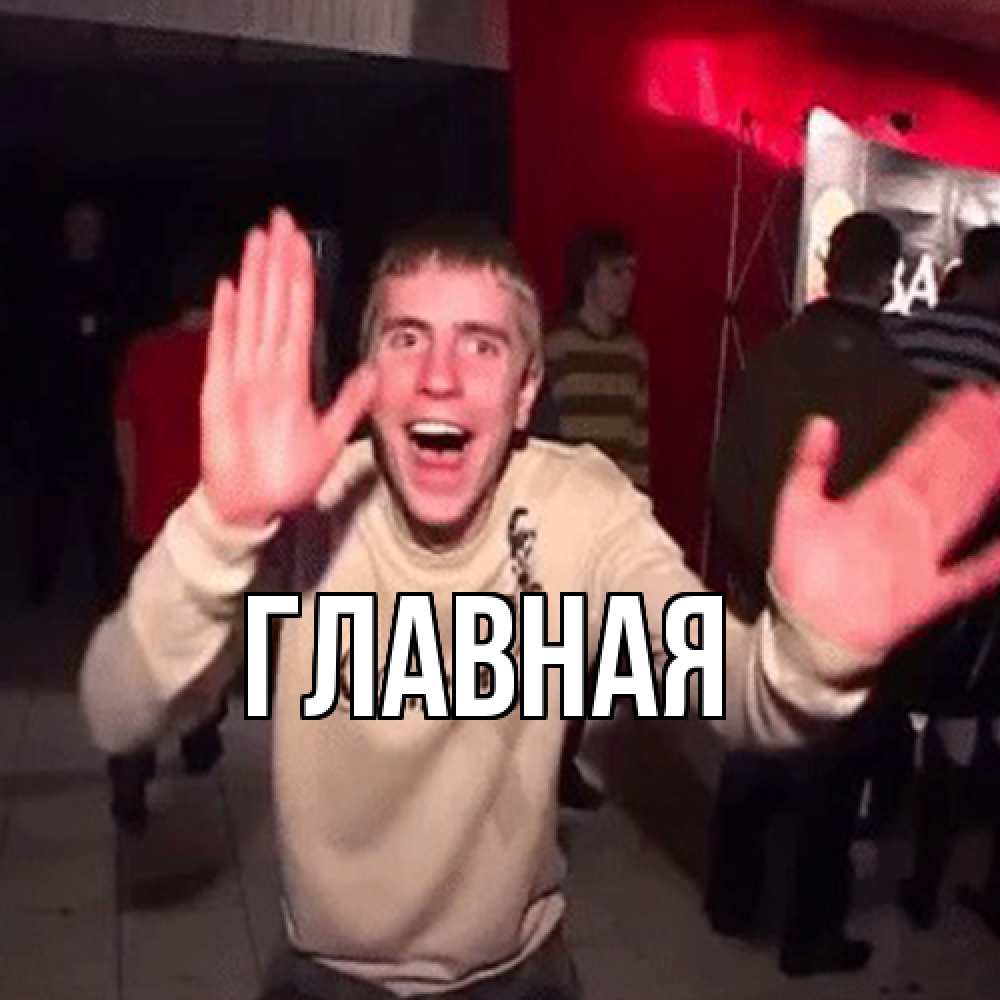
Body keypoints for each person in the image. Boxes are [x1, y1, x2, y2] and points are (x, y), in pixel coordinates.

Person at [81, 209, 1000, 1000]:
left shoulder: (577, 505)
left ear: (526, 394)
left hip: (520, 974)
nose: (441, 376)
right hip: (326, 976)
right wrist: (222, 524)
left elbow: (732, 691)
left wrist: (813, 653)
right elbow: (121, 708)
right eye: (407, 339)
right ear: (368, 378)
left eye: (482, 345)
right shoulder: (308, 511)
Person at [706, 213, 931, 975]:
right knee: (833, 782)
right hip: (847, 616)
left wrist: (761, 570)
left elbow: (725, 480)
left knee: (754, 745)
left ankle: (731, 900)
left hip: (765, 593)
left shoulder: (770, 358)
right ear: (889, 278)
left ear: (830, 266)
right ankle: (809, 936)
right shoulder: (900, 387)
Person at [889, 225, 1000, 937]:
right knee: (967, 715)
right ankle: (946, 881)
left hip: (908, 543)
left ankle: (900, 856)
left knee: (898, 699)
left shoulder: (907, 337)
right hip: (980, 562)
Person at [106, 237, 234, 832]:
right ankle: (201, 735)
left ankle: (132, 769)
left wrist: (132, 502)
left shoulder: (143, 352)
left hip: (152, 523)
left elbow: (125, 432)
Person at [542, 227, 648, 808]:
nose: (629, 284)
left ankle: (562, 765)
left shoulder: (633, 353)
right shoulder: (554, 347)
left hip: (610, 523)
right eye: (617, 272)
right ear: (589, 276)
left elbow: (638, 439)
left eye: (633, 272)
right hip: (560, 517)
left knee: (592, 653)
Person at [28, 199, 123, 608]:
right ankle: (41, 582)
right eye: (78, 224)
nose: (85, 231)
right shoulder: (48, 277)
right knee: (51, 497)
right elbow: (34, 335)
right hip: (57, 403)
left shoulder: (113, 277)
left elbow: (121, 334)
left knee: (102, 499)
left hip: (101, 403)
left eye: (91, 224)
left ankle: (107, 585)